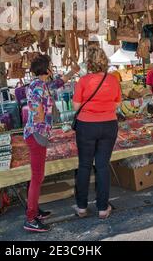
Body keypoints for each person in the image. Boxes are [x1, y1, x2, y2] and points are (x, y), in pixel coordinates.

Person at [23, 55, 79, 233]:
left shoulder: (43, 84)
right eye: (50, 66)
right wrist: (39, 113)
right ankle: (31, 218)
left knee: (38, 177)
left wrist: (73, 71)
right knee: (37, 177)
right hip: (37, 134)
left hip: (39, 134)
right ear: (45, 69)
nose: (52, 68)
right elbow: (36, 109)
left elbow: (58, 83)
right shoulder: (37, 87)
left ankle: (35, 210)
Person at [72, 45, 121, 219]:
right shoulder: (114, 80)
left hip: (86, 126)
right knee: (102, 165)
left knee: (84, 165)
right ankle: (102, 208)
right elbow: (116, 104)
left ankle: (82, 207)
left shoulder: (83, 81)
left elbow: (76, 106)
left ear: (89, 63)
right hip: (109, 125)